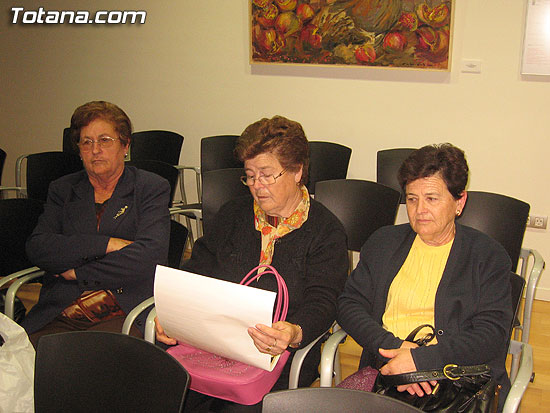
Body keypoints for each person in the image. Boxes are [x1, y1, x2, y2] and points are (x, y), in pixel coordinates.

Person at [156, 115, 349, 412]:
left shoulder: (325, 230)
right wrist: (174, 314)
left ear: (297, 171)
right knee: (163, 390)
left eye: (267, 175)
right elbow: (199, 268)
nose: (257, 186)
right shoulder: (234, 214)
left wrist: (294, 331)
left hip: (276, 354)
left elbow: (323, 299)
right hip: (213, 342)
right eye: (250, 175)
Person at [337, 144, 512, 411]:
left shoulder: (488, 256)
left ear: (459, 202)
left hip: (458, 383)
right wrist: (395, 352)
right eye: (412, 199)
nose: (419, 211)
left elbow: (491, 335)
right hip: (387, 369)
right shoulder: (384, 241)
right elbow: (349, 304)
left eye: (432, 198)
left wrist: (422, 361)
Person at [22, 101, 170, 346]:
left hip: (123, 309)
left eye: (104, 140)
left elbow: (149, 255)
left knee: (91, 366)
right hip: (62, 308)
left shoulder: (150, 187)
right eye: (86, 142)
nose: (95, 150)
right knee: (25, 365)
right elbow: (38, 247)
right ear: (78, 150)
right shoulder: (63, 189)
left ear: (125, 146)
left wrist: (79, 272)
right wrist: (107, 244)